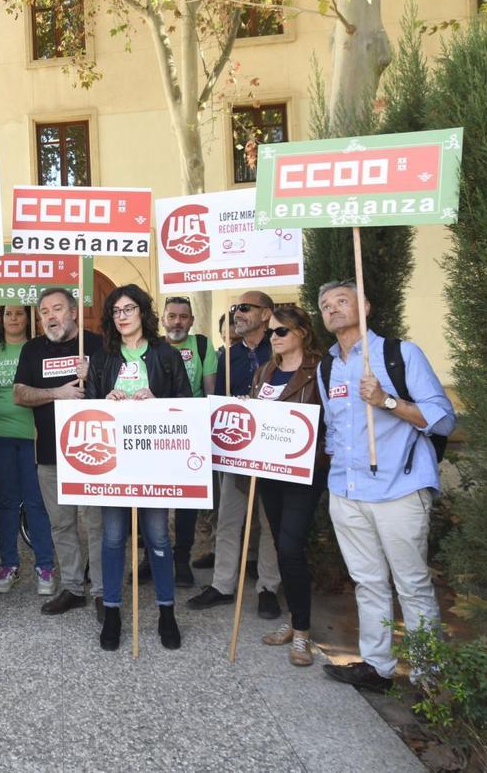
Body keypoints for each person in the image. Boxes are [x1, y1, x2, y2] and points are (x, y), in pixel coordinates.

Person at [316, 281, 455, 692]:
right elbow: (334, 428)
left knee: (412, 585)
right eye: (325, 305)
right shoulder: (328, 367)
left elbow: (443, 420)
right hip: (346, 491)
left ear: (365, 307)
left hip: (399, 488)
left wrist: (387, 401)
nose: (333, 309)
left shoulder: (400, 354)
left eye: (342, 301)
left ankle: (429, 679)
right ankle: (378, 667)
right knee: (367, 582)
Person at [83, 284, 190, 651]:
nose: (122, 316)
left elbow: (186, 403)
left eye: (129, 309)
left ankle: (166, 612)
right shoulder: (103, 357)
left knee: (158, 537)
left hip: (155, 462)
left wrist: (157, 400)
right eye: (116, 311)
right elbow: (89, 410)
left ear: (143, 312)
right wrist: (105, 400)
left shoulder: (165, 354)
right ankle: (112, 612)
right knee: (113, 538)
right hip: (113, 463)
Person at [189, 291, 282, 621]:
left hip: (274, 453)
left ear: (266, 314)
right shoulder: (229, 356)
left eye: (244, 308)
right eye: (234, 308)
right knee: (228, 520)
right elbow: (218, 402)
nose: (237, 314)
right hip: (237, 453)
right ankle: (222, 585)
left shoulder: (279, 349)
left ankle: (268, 588)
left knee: (270, 524)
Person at [13, 287, 105, 619]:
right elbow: (19, 394)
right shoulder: (32, 349)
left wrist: (92, 376)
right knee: (62, 525)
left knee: (97, 525)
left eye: (58, 309)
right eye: (44, 312)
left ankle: (103, 592)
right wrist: (58, 392)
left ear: (74, 312)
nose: (51, 316)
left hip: (94, 452)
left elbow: (117, 392)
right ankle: (73, 588)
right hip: (50, 453)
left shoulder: (98, 345)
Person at [249, 305, 328, 667]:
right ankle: (296, 620)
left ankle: (302, 632)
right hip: (270, 472)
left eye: (281, 331)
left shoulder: (320, 369)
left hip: (302, 473)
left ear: (301, 332)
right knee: (282, 547)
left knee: (292, 546)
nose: (274, 337)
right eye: (271, 332)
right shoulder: (265, 370)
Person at [0, 306, 56, 596]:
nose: (13, 319)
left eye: (19, 314)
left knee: (36, 502)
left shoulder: (38, 348)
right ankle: (8, 564)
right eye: (8, 314)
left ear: (28, 318)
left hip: (33, 436)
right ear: (1, 318)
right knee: (7, 502)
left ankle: (45, 566)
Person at [160, 296, 218, 588]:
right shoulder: (152, 346)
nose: (177, 322)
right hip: (156, 432)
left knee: (186, 501)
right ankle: (152, 558)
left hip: (189, 433)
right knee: (154, 498)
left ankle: (181, 558)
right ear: (163, 319)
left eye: (183, 316)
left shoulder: (203, 346)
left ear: (192, 321)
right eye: (172, 316)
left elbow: (209, 394)